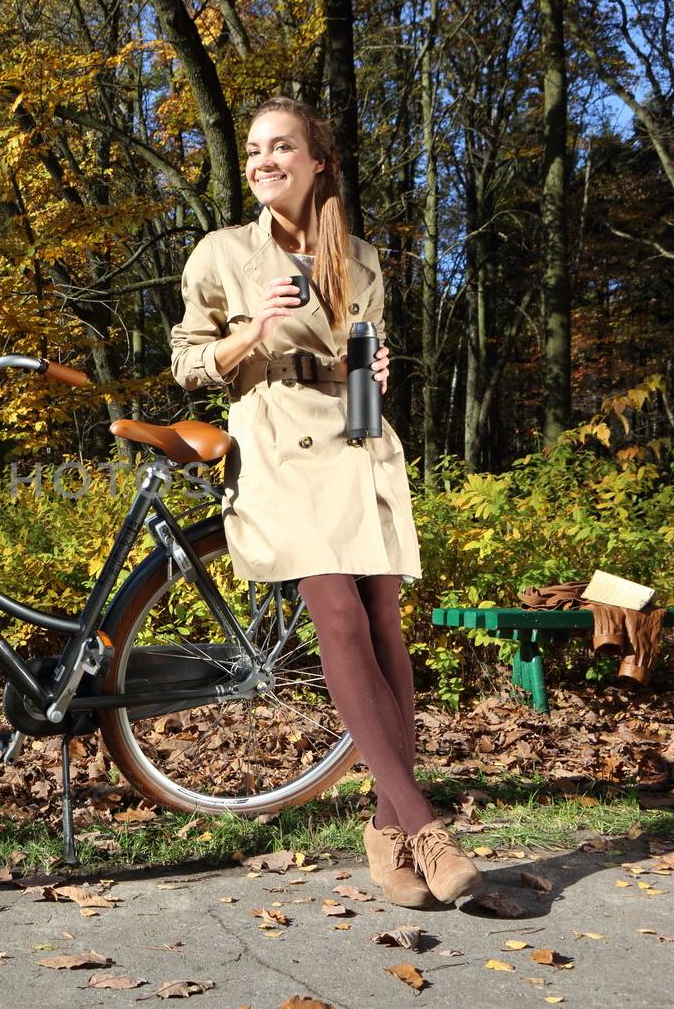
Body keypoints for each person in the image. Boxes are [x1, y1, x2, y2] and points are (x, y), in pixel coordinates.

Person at [169, 97, 484, 907]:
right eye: (253, 151)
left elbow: (362, 349)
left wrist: (374, 377)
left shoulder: (362, 257)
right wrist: (253, 331)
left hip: (357, 442)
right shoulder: (223, 252)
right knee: (337, 615)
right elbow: (188, 362)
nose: (263, 161)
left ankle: (385, 829)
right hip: (273, 441)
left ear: (318, 161)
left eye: (282, 147)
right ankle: (424, 824)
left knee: (385, 624)